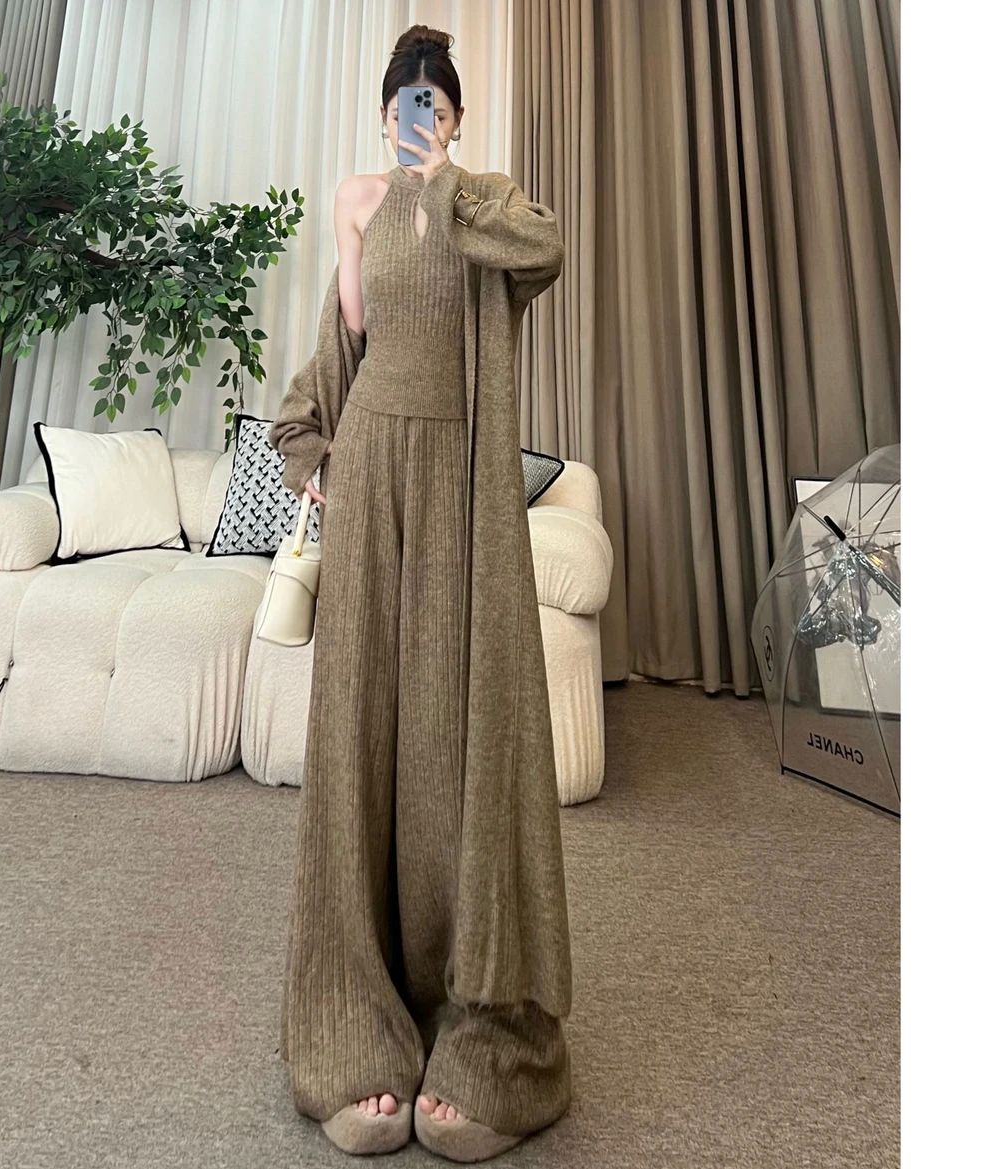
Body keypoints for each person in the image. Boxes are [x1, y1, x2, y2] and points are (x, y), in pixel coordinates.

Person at [269, 24, 573, 1163]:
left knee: (458, 743)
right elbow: (343, 346)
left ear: (453, 116)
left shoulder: (486, 202)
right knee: (364, 740)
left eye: (433, 104)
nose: (417, 118)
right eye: (404, 101)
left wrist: (445, 182)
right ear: (382, 110)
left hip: (462, 494)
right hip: (374, 484)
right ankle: (357, 1024)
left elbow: (547, 249)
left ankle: (482, 1030)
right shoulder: (354, 202)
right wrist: (326, 463)